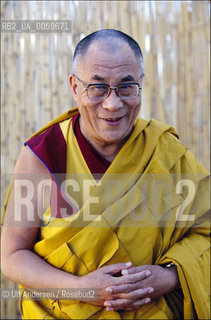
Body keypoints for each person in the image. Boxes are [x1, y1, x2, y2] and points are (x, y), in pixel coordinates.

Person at [1, 29, 210, 320]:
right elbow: (12, 256)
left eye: (127, 87)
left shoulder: (166, 152)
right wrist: (81, 289)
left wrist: (168, 276)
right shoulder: (44, 155)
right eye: (97, 88)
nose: (113, 104)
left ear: (141, 85)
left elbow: (206, 233)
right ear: (75, 87)